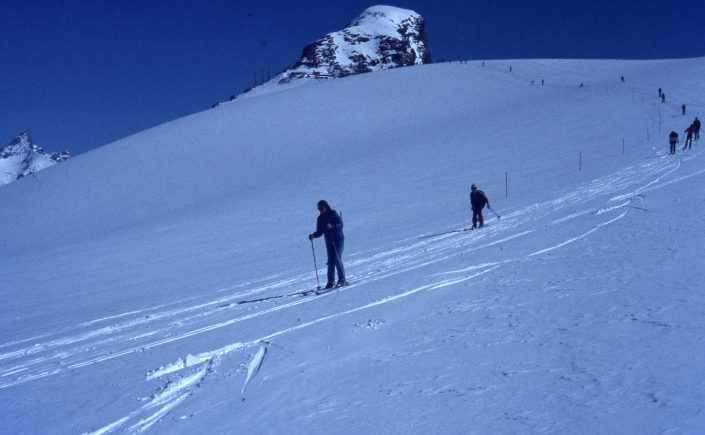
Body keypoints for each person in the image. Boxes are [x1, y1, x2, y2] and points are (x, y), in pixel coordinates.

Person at [308, 200, 346, 289]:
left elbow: (340, 224)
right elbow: (320, 231)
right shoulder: (320, 219)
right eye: (319, 209)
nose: (320, 210)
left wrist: (332, 226)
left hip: (338, 239)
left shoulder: (333, 214)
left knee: (336, 258)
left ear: (326, 207)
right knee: (330, 261)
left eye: (321, 208)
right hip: (329, 241)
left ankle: (342, 279)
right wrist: (313, 235)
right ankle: (330, 281)